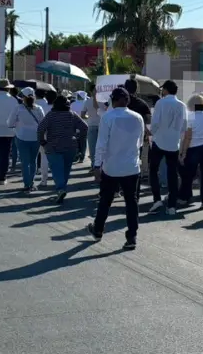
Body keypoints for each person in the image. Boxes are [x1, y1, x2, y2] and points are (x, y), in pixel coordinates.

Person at [89, 87, 144, 249]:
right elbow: (140, 142)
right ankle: (132, 236)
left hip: (111, 167)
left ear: (113, 100)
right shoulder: (137, 117)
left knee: (106, 200)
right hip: (132, 167)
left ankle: (98, 230)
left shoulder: (108, 117)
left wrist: (97, 165)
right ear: (127, 100)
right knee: (131, 202)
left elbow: (101, 144)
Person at [37, 94, 87, 204]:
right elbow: (84, 127)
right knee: (65, 170)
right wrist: (78, 138)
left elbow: (40, 128)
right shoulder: (72, 114)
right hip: (70, 146)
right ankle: (62, 188)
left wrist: (42, 141)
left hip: (53, 146)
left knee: (56, 170)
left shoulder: (51, 115)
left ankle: (60, 189)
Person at [147, 80, 186, 216]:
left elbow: (155, 122)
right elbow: (184, 126)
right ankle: (172, 206)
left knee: (153, 170)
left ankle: (157, 198)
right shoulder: (182, 105)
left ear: (166, 90)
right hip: (173, 143)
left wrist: (151, 132)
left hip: (159, 141)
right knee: (172, 173)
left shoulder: (160, 103)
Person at [178, 94, 203, 209]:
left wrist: (183, 152)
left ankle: (184, 198)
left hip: (193, 148)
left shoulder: (190, 117)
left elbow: (188, 137)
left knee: (187, 175)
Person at [8, 87, 46, 193]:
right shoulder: (39, 108)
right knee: (33, 161)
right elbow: (43, 124)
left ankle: (26, 184)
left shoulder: (17, 108)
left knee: (25, 162)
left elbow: (10, 123)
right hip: (35, 138)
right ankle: (31, 183)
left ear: (22, 97)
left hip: (21, 137)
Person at [71, 90, 91, 164]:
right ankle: (82, 157)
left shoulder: (73, 104)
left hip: (74, 125)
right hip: (84, 125)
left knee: (75, 141)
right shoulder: (85, 103)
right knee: (83, 142)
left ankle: (76, 155)